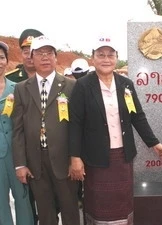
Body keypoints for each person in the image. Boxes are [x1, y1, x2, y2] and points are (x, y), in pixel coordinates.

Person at [68, 36, 162, 225]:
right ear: (93, 58)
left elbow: (137, 116)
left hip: (122, 157)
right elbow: (75, 123)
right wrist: (75, 157)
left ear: (116, 58)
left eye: (110, 55)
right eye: (101, 55)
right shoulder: (83, 86)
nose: (106, 59)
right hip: (96, 159)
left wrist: (154, 143)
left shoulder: (125, 84)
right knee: (99, 207)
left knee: (121, 206)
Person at [11, 35, 80, 225]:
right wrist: (20, 164)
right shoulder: (21, 88)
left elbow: (78, 127)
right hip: (35, 163)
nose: (45, 57)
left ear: (56, 57)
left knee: (70, 211)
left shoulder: (71, 86)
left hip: (64, 161)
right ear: (31, 58)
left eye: (49, 53)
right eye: (40, 53)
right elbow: (17, 129)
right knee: (45, 214)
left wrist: (77, 158)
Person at [5, 28, 43, 225]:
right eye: (25, 50)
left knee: (50, 203)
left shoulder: (54, 80)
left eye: (34, 49)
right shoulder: (11, 80)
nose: (30, 54)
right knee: (25, 203)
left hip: (47, 153)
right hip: (20, 154)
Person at [0, 41, 34, 225]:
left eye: (1, 57)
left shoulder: (17, 88)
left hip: (17, 154)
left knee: (23, 199)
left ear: (6, 61)